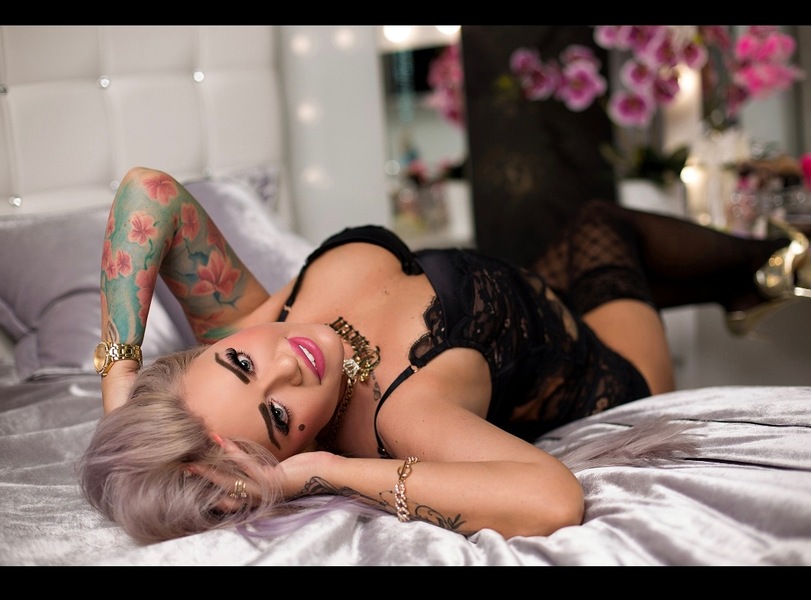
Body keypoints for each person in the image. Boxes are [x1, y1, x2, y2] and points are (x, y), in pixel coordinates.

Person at [78, 166, 811, 545]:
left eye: (239, 364)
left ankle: (753, 283)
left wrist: (122, 383)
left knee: (590, 246)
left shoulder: (253, 320)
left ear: (210, 348)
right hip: (604, 369)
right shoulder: (403, 410)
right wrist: (324, 473)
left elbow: (150, 193)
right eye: (277, 415)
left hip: (531, 296)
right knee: (605, 230)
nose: (286, 366)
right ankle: (773, 266)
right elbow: (553, 500)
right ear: (292, 447)